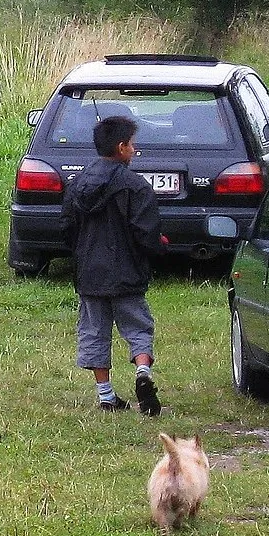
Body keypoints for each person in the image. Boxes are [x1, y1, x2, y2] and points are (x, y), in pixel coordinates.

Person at [62, 113, 163, 414]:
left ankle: (106, 395)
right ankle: (142, 373)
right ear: (121, 148)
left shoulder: (78, 183)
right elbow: (146, 232)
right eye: (132, 145)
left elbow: (67, 227)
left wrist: (80, 255)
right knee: (138, 328)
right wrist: (157, 251)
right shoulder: (136, 186)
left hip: (90, 275)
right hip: (127, 273)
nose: (135, 150)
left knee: (94, 332)